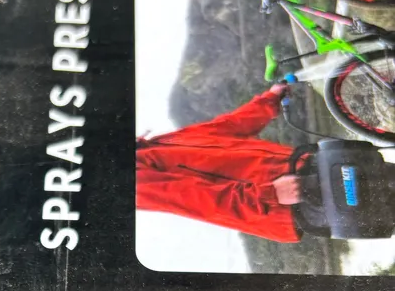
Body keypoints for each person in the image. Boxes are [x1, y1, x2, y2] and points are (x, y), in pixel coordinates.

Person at [135, 84, 324, 242]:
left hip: (297, 165)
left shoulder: (155, 144)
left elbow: (227, 127)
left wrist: (269, 100)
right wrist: (270, 194)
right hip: (287, 200)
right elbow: (203, 199)